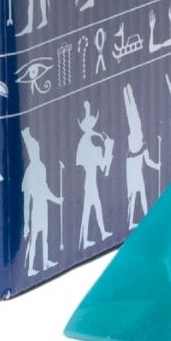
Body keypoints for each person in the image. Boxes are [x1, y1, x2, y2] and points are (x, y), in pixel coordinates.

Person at [20, 128, 62, 276]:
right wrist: (26, 224)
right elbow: (26, 202)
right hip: (36, 210)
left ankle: (44, 261)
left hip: (43, 207)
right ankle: (30, 268)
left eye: (37, 149)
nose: (36, 152)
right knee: (34, 238)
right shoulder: (29, 171)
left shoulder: (41, 167)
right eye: (34, 150)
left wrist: (57, 199)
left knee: (45, 237)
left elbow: (45, 190)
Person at [76, 100, 113, 247]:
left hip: (90, 182)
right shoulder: (90, 144)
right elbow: (104, 168)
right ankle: (95, 235)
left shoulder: (87, 143)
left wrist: (107, 149)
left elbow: (103, 168)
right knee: (92, 207)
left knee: (91, 208)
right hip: (90, 183)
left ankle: (93, 236)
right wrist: (108, 149)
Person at [122, 83, 160, 229]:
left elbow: (148, 161)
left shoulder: (137, 148)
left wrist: (156, 165)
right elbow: (144, 161)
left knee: (140, 195)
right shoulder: (133, 150)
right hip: (134, 176)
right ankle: (127, 92)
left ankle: (145, 217)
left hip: (137, 175)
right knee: (133, 115)